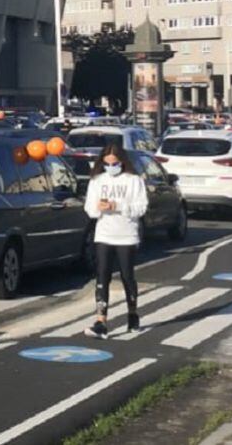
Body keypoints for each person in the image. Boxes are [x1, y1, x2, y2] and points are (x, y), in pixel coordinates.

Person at [83, 144, 149, 340]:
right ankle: (101, 320)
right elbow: (90, 209)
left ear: (123, 162)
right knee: (102, 276)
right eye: (107, 164)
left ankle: (133, 314)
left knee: (127, 275)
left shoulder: (134, 181)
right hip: (104, 234)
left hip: (126, 234)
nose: (111, 167)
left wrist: (118, 205)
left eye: (115, 164)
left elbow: (141, 207)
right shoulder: (97, 181)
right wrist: (100, 208)